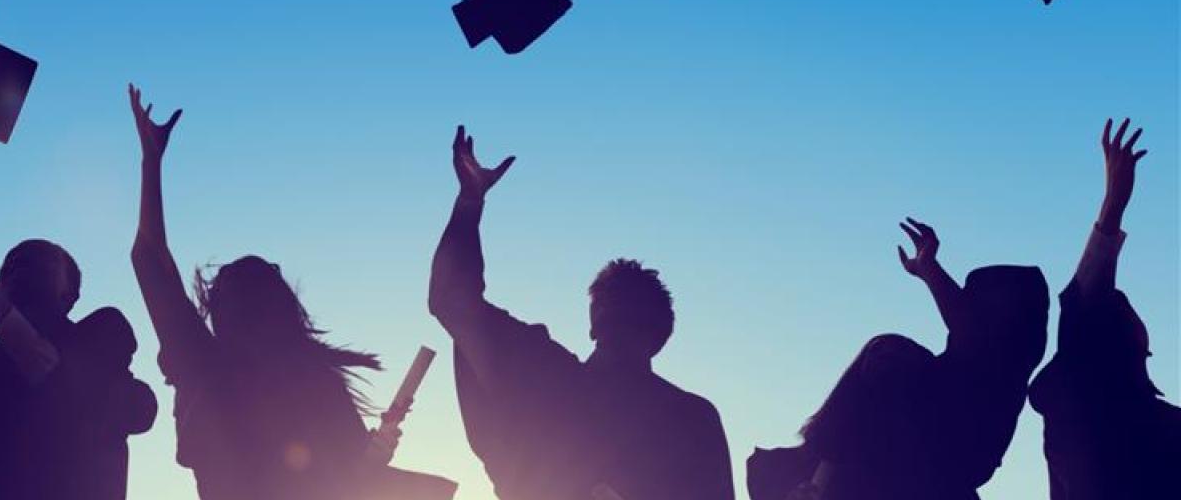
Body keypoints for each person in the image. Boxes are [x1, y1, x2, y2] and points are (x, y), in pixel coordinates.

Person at [126, 84, 455, 500]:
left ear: (220, 309)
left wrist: (151, 161)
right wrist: (372, 454)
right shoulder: (309, 375)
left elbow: (149, 258)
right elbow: (352, 479)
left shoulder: (204, 363)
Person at [428, 126, 735, 500]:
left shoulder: (545, 376)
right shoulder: (690, 418)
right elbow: (452, 301)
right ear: (661, 337)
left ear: (596, 319)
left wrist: (470, 201)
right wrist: (470, 200)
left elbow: (452, 299)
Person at [747, 220, 1048, 500]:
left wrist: (930, 271)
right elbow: (967, 324)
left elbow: (976, 331)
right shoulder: (944, 369)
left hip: (932, 467)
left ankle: (819, 477)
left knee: (891, 351)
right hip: (885, 462)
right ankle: (819, 474)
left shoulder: (1000, 368)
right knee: (889, 350)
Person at [0, 239, 157, 500]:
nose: (16, 264)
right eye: (9, 265)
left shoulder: (101, 333)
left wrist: (4, 313)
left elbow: (92, 395)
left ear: (70, 295)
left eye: (37, 259)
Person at [1028, 119, 1181, 499]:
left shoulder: (1139, 418)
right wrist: (1112, 206)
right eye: (1123, 309)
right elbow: (1084, 304)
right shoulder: (1093, 410)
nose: (1128, 307)